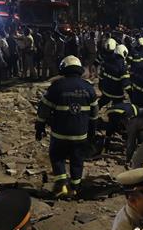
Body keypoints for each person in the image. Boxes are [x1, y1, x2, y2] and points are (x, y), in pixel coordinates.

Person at [35, 56, 98, 198]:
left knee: (57, 156)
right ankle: (75, 188)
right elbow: (94, 115)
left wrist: (39, 127)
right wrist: (91, 134)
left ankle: (62, 183)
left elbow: (43, 110)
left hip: (60, 134)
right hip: (80, 135)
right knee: (77, 159)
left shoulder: (56, 87)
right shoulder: (89, 88)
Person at [98, 44, 131, 108]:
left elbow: (101, 76)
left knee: (101, 103)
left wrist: (101, 86)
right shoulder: (122, 66)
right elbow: (126, 83)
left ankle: (92, 115)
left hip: (106, 90)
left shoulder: (107, 60)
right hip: (117, 93)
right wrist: (131, 94)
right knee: (118, 108)